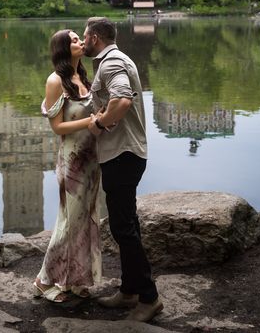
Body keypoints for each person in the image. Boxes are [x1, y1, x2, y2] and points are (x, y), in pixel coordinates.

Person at [83, 17, 163, 323]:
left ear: (94, 37)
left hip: (123, 153)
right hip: (124, 153)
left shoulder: (111, 62)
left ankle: (149, 297)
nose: (83, 40)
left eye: (85, 36)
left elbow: (123, 100)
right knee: (125, 223)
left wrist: (99, 123)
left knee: (123, 229)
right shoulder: (112, 59)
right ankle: (129, 290)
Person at [33, 29, 101, 303]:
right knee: (69, 222)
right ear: (62, 48)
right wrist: (90, 121)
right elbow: (57, 127)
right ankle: (44, 280)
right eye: (74, 40)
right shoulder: (55, 81)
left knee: (86, 219)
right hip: (72, 161)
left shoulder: (83, 76)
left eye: (80, 38)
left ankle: (74, 281)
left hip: (92, 159)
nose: (81, 42)